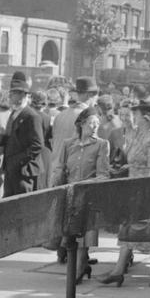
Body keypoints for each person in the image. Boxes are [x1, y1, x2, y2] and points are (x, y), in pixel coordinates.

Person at [99, 96, 150, 287]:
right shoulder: (139, 133)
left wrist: (146, 193)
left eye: (136, 113)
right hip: (135, 187)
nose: (133, 116)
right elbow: (136, 158)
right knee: (128, 230)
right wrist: (124, 168)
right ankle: (118, 271)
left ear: (146, 116)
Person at [51, 107, 110, 283]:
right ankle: (79, 265)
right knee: (69, 234)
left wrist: (86, 185)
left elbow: (103, 174)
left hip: (88, 195)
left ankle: (79, 266)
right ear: (81, 124)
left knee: (85, 234)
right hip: (69, 194)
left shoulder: (101, 144)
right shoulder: (69, 144)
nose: (95, 127)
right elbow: (60, 168)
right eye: (92, 123)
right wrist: (56, 184)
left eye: (97, 124)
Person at [0, 71, 44, 197]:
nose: (10, 96)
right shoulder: (14, 113)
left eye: (13, 93)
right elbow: (12, 138)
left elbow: (37, 145)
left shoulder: (32, 116)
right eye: (11, 93)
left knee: (23, 210)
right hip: (11, 171)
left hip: (25, 172)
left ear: (22, 95)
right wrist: (0, 138)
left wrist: (16, 161)